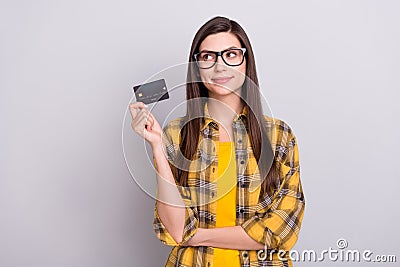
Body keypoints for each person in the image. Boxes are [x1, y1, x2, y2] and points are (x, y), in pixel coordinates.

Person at [129, 16, 305, 267]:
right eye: (208, 56)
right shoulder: (176, 134)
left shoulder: (279, 136)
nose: (220, 67)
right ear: (197, 66)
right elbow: (175, 230)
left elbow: (281, 229)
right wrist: (157, 146)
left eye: (231, 54)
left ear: (246, 61)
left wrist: (198, 236)